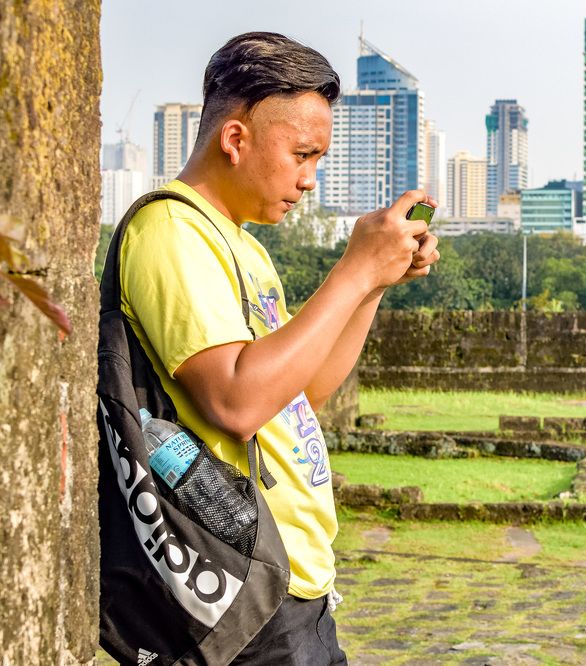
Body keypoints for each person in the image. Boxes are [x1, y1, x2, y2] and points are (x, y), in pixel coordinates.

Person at [118, 32, 439, 664]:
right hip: (241, 584)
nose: (309, 180)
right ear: (235, 139)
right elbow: (237, 402)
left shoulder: (242, 246)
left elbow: (301, 391)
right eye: (302, 155)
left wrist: (373, 283)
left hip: (292, 578)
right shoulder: (171, 232)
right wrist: (352, 269)